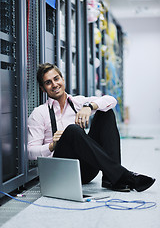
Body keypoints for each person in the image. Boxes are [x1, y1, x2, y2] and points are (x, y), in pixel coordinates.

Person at [28, 63, 155, 192]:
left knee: (106, 112)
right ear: (43, 88)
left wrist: (89, 106)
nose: (54, 85)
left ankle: (111, 179)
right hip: (62, 171)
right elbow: (30, 152)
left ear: (62, 79)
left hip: (86, 170)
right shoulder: (39, 113)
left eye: (56, 79)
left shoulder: (78, 102)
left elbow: (111, 100)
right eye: (48, 82)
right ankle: (123, 176)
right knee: (72, 130)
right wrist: (52, 146)